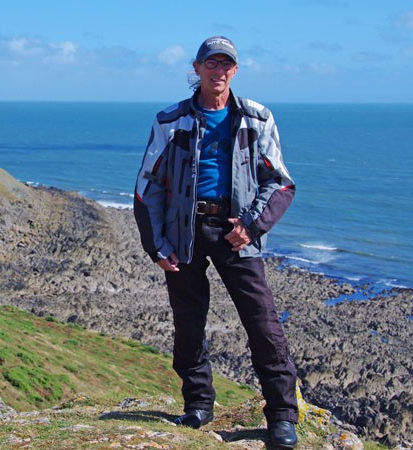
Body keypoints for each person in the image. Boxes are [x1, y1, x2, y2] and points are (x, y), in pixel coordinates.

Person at [133, 36, 299, 448]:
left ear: (235, 71)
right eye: (211, 63)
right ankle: (198, 404)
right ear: (197, 67)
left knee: (263, 323)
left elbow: (279, 182)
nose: (218, 71)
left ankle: (281, 415)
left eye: (226, 64)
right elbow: (146, 187)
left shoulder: (257, 118)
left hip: (236, 232)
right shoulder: (170, 120)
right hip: (184, 232)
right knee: (188, 323)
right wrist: (156, 247)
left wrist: (252, 226)